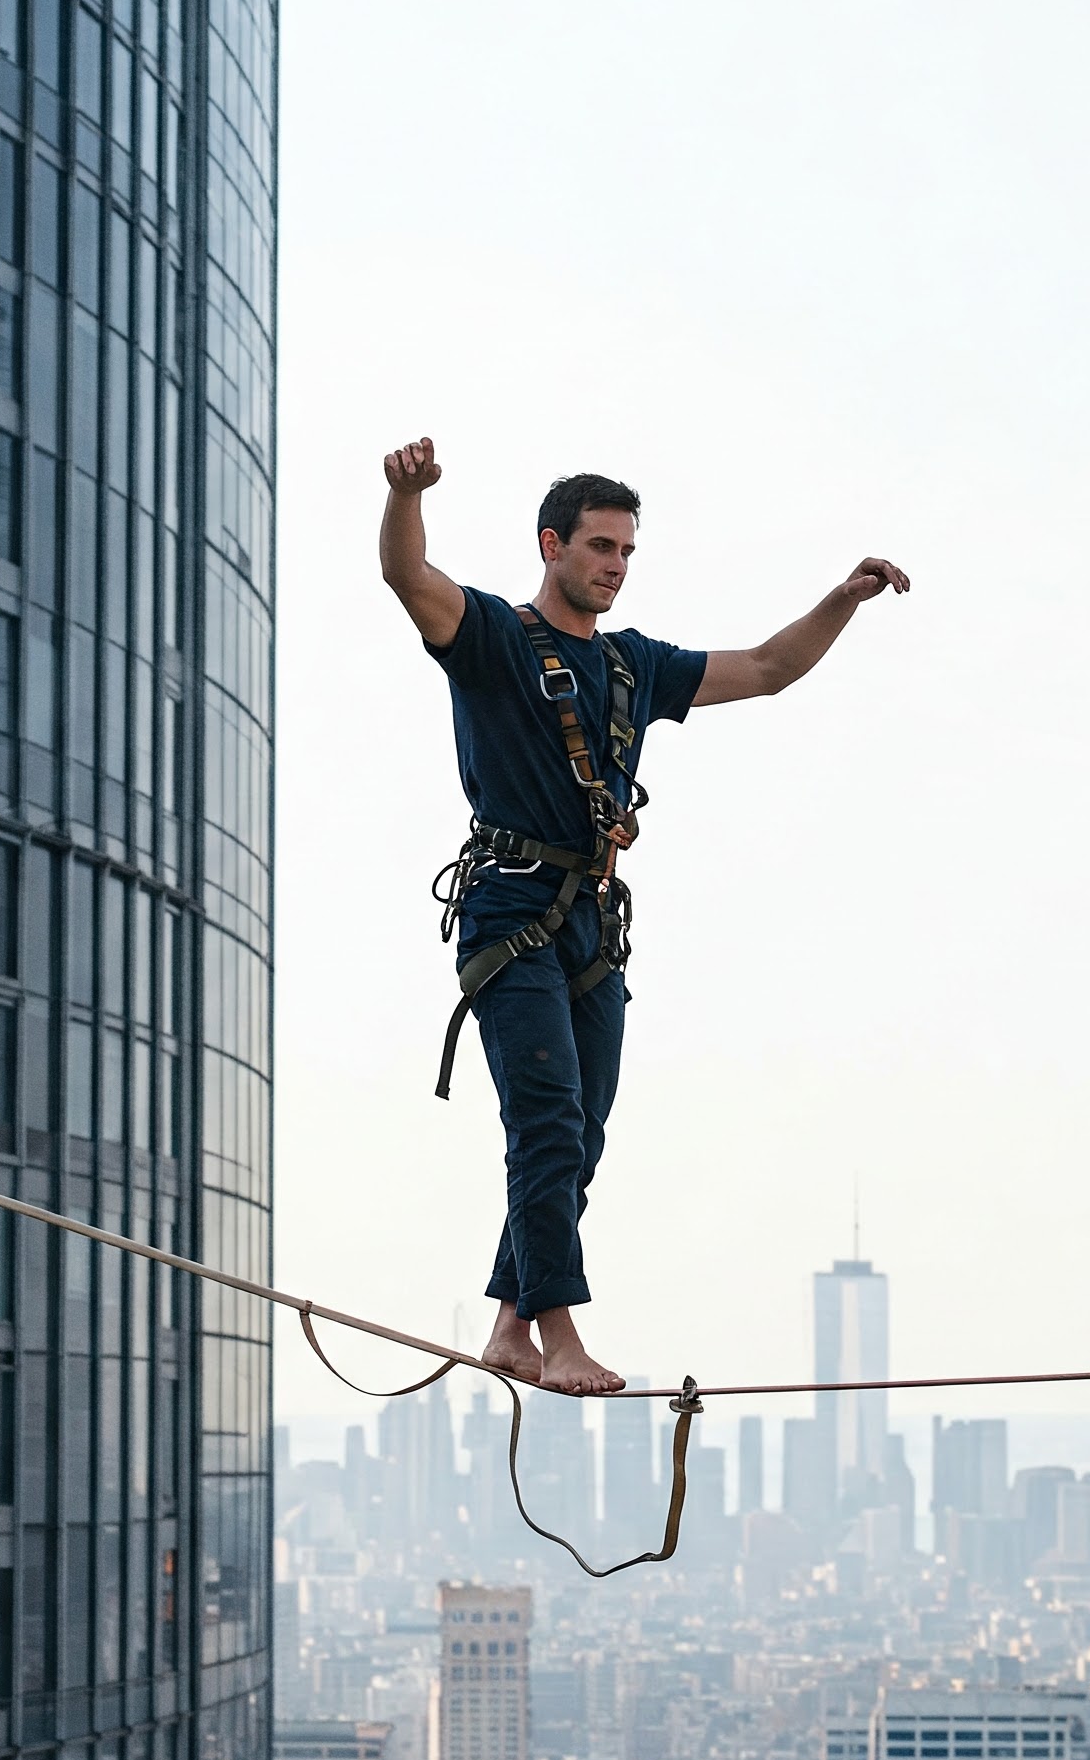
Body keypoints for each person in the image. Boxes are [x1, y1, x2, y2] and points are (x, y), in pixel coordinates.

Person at [380, 437, 909, 1394]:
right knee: (544, 1121)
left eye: (626, 551)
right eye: (598, 548)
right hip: (510, 907)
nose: (614, 566)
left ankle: (509, 1323)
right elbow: (406, 573)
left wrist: (844, 598)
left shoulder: (633, 667)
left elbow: (767, 666)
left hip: (591, 923)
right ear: (552, 545)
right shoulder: (496, 641)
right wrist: (406, 495)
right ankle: (560, 1331)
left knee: (579, 1134)